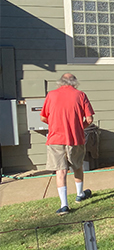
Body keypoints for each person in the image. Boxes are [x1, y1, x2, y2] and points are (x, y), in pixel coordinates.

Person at [40, 73, 95, 215]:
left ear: (60, 82)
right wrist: (77, 127)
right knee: (77, 166)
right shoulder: (81, 95)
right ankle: (79, 194)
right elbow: (89, 119)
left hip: (55, 138)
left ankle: (64, 205)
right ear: (74, 82)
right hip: (75, 138)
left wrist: (54, 125)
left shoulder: (51, 95)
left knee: (60, 170)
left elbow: (43, 117)